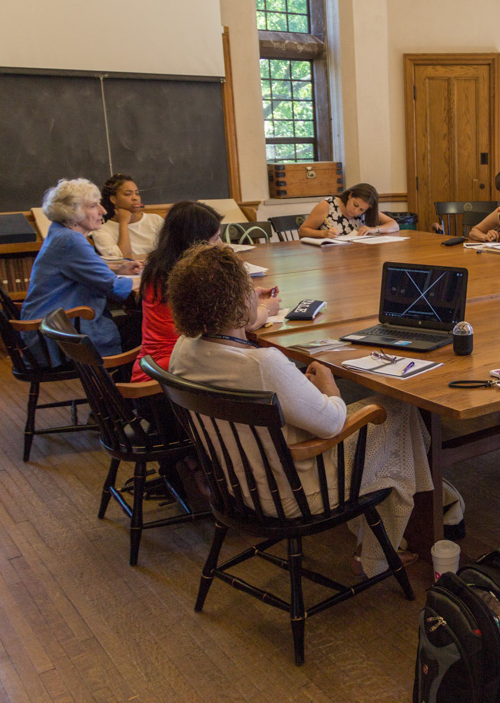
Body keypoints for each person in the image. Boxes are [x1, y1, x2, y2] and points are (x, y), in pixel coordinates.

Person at [166, 244, 430, 577]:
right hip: (292, 493)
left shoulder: (184, 350)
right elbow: (333, 423)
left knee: (386, 418)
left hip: (235, 482)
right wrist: (328, 384)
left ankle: (429, 506)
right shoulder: (263, 365)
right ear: (236, 301)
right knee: (395, 410)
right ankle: (380, 553)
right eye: (249, 289)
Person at [130, 201, 282, 383]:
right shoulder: (194, 278)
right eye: (216, 237)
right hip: (172, 380)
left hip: (151, 369)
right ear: (196, 242)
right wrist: (266, 308)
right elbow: (240, 323)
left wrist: (246, 296)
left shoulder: (158, 266)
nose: (222, 244)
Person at [21, 178, 143, 362]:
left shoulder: (60, 233)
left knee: (134, 322)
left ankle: (122, 382)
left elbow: (84, 270)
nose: (102, 210)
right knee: (143, 325)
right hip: (61, 336)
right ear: (73, 212)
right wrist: (148, 277)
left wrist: (119, 269)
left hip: (50, 325)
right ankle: (123, 386)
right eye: (94, 206)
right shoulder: (71, 241)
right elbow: (114, 288)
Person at [91, 174, 165, 259]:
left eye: (137, 193)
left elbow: (169, 251)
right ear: (113, 199)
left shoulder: (155, 220)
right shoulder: (102, 230)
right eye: (128, 194)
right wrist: (123, 222)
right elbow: (121, 259)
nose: (135, 198)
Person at [298, 183, 399, 238]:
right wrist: (323, 234)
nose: (355, 211)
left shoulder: (367, 210)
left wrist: (374, 229)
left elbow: (394, 225)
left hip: (357, 255)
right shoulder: (328, 205)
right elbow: (303, 231)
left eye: (361, 210)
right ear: (350, 195)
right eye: (355, 205)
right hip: (331, 257)